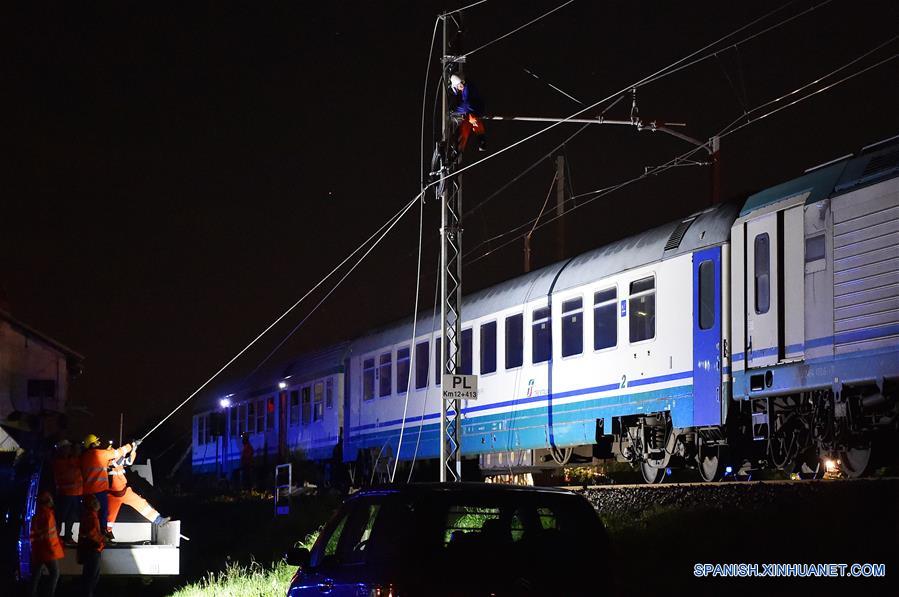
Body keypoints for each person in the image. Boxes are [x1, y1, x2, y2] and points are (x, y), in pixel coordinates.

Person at [106, 442, 169, 535]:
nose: (116, 453)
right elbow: (117, 462)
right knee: (109, 518)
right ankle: (106, 534)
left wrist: (134, 448)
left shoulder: (116, 460)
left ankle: (159, 520)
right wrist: (128, 448)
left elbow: (129, 461)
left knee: (142, 504)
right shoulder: (108, 462)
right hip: (112, 495)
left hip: (124, 492)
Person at [80, 434, 135, 538]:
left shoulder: (84, 457)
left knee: (90, 514)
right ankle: (103, 534)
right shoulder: (100, 454)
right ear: (92, 445)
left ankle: (89, 535)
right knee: (103, 513)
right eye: (96, 442)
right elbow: (118, 452)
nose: (99, 443)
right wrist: (131, 446)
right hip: (99, 491)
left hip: (87, 492)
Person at [29, 491, 64, 597]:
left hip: (38, 550)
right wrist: (54, 551)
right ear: (47, 502)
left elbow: (35, 535)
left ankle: (31, 594)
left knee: (35, 576)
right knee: (55, 574)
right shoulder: (48, 515)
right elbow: (49, 536)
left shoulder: (36, 515)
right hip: (48, 551)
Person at [51, 439, 82, 544]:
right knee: (61, 517)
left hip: (76, 493)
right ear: (62, 449)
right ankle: (57, 537)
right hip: (66, 494)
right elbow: (68, 475)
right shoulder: (59, 462)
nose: (69, 449)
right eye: (67, 447)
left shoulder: (71, 459)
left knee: (71, 516)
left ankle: (67, 536)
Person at [449, 73, 487, 155]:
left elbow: (466, 105)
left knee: (469, 115)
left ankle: (480, 139)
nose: (461, 86)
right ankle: (460, 148)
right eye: (460, 84)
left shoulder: (467, 88)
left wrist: (455, 110)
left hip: (474, 107)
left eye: (461, 83)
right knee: (468, 122)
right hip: (473, 111)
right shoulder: (463, 90)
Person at [77, 494, 105, 597]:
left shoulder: (89, 515)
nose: (99, 503)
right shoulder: (92, 516)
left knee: (88, 578)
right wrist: (103, 539)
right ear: (92, 504)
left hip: (89, 550)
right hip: (93, 550)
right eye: (96, 501)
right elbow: (92, 535)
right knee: (92, 579)